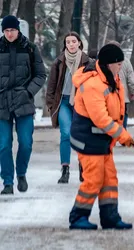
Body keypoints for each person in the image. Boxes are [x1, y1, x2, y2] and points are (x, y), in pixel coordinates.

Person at [68, 44, 134, 230]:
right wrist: (123, 136)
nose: (121, 67)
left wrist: (119, 136)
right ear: (109, 64)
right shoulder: (92, 84)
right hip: (88, 139)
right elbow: (100, 118)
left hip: (102, 140)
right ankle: (78, 217)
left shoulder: (111, 80)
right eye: (119, 64)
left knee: (109, 178)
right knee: (94, 178)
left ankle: (110, 217)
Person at [0, 15, 46, 195]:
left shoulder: (30, 48)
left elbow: (40, 75)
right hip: (2, 102)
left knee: (26, 143)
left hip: (23, 101)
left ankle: (21, 174)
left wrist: (28, 92)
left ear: (18, 30)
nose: (9, 33)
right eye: (6, 30)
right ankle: (8, 182)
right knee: (3, 145)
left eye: (12, 30)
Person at [46, 32, 91, 184]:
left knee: (80, 135)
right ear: (65, 45)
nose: (71, 44)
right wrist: (51, 103)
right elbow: (51, 84)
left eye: (73, 41)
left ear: (79, 43)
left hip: (81, 103)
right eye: (68, 42)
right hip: (63, 102)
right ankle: (65, 169)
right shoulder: (59, 62)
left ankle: (82, 166)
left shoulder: (88, 62)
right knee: (66, 134)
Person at [107, 41, 134, 129]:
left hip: (108, 93)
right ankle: (122, 133)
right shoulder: (126, 61)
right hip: (123, 95)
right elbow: (131, 79)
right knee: (123, 113)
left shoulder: (104, 60)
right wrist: (132, 92)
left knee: (110, 113)